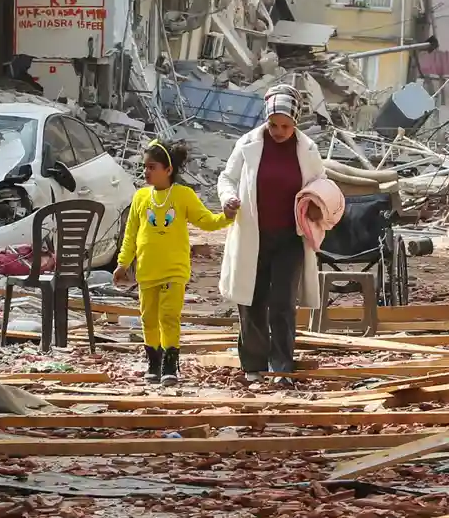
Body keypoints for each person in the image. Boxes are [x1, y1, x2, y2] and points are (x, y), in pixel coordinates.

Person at [217, 84, 325, 384]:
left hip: (290, 237)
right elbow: (228, 177)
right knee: (251, 300)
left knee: (282, 303)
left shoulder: (308, 150)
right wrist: (228, 199)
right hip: (254, 235)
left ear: (295, 124)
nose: (279, 131)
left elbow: (321, 184)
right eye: (274, 125)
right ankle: (253, 365)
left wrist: (317, 206)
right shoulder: (248, 143)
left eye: (285, 126)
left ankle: (281, 368)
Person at [114, 139, 236, 386]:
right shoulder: (140, 197)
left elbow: (206, 221)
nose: (146, 172)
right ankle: (153, 362)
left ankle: (170, 364)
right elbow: (130, 234)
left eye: (152, 167)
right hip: (147, 270)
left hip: (174, 270)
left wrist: (227, 216)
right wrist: (123, 263)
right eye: (145, 167)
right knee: (148, 318)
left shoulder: (183, 195)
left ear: (168, 170)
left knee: (169, 316)